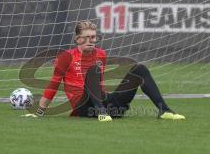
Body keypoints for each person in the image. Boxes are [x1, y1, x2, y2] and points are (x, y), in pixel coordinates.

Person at [24, 20, 185, 122]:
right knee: (93, 71)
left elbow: (98, 86)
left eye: (93, 37)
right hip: (83, 108)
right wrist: (39, 112)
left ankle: (164, 110)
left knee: (139, 68)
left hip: (107, 106)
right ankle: (101, 112)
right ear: (77, 39)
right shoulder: (66, 57)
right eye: (86, 37)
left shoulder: (101, 54)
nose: (90, 41)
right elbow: (53, 85)